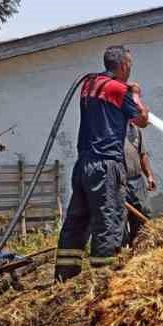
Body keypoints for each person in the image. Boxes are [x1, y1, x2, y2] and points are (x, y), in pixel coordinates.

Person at [54, 45, 149, 281]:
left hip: (84, 164)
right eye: (130, 65)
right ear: (124, 65)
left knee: (77, 220)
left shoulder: (89, 85)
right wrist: (135, 93)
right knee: (109, 220)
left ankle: (64, 276)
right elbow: (142, 119)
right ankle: (104, 278)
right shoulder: (120, 90)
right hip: (107, 165)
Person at [123, 119, 156, 245]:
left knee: (144, 214)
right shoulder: (113, 129)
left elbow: (142, 155)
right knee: (120, 220)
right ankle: (120, 254)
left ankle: (137, 250)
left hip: (137, 181)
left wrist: (149, 176)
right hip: (119, 182)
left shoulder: (136, 130)